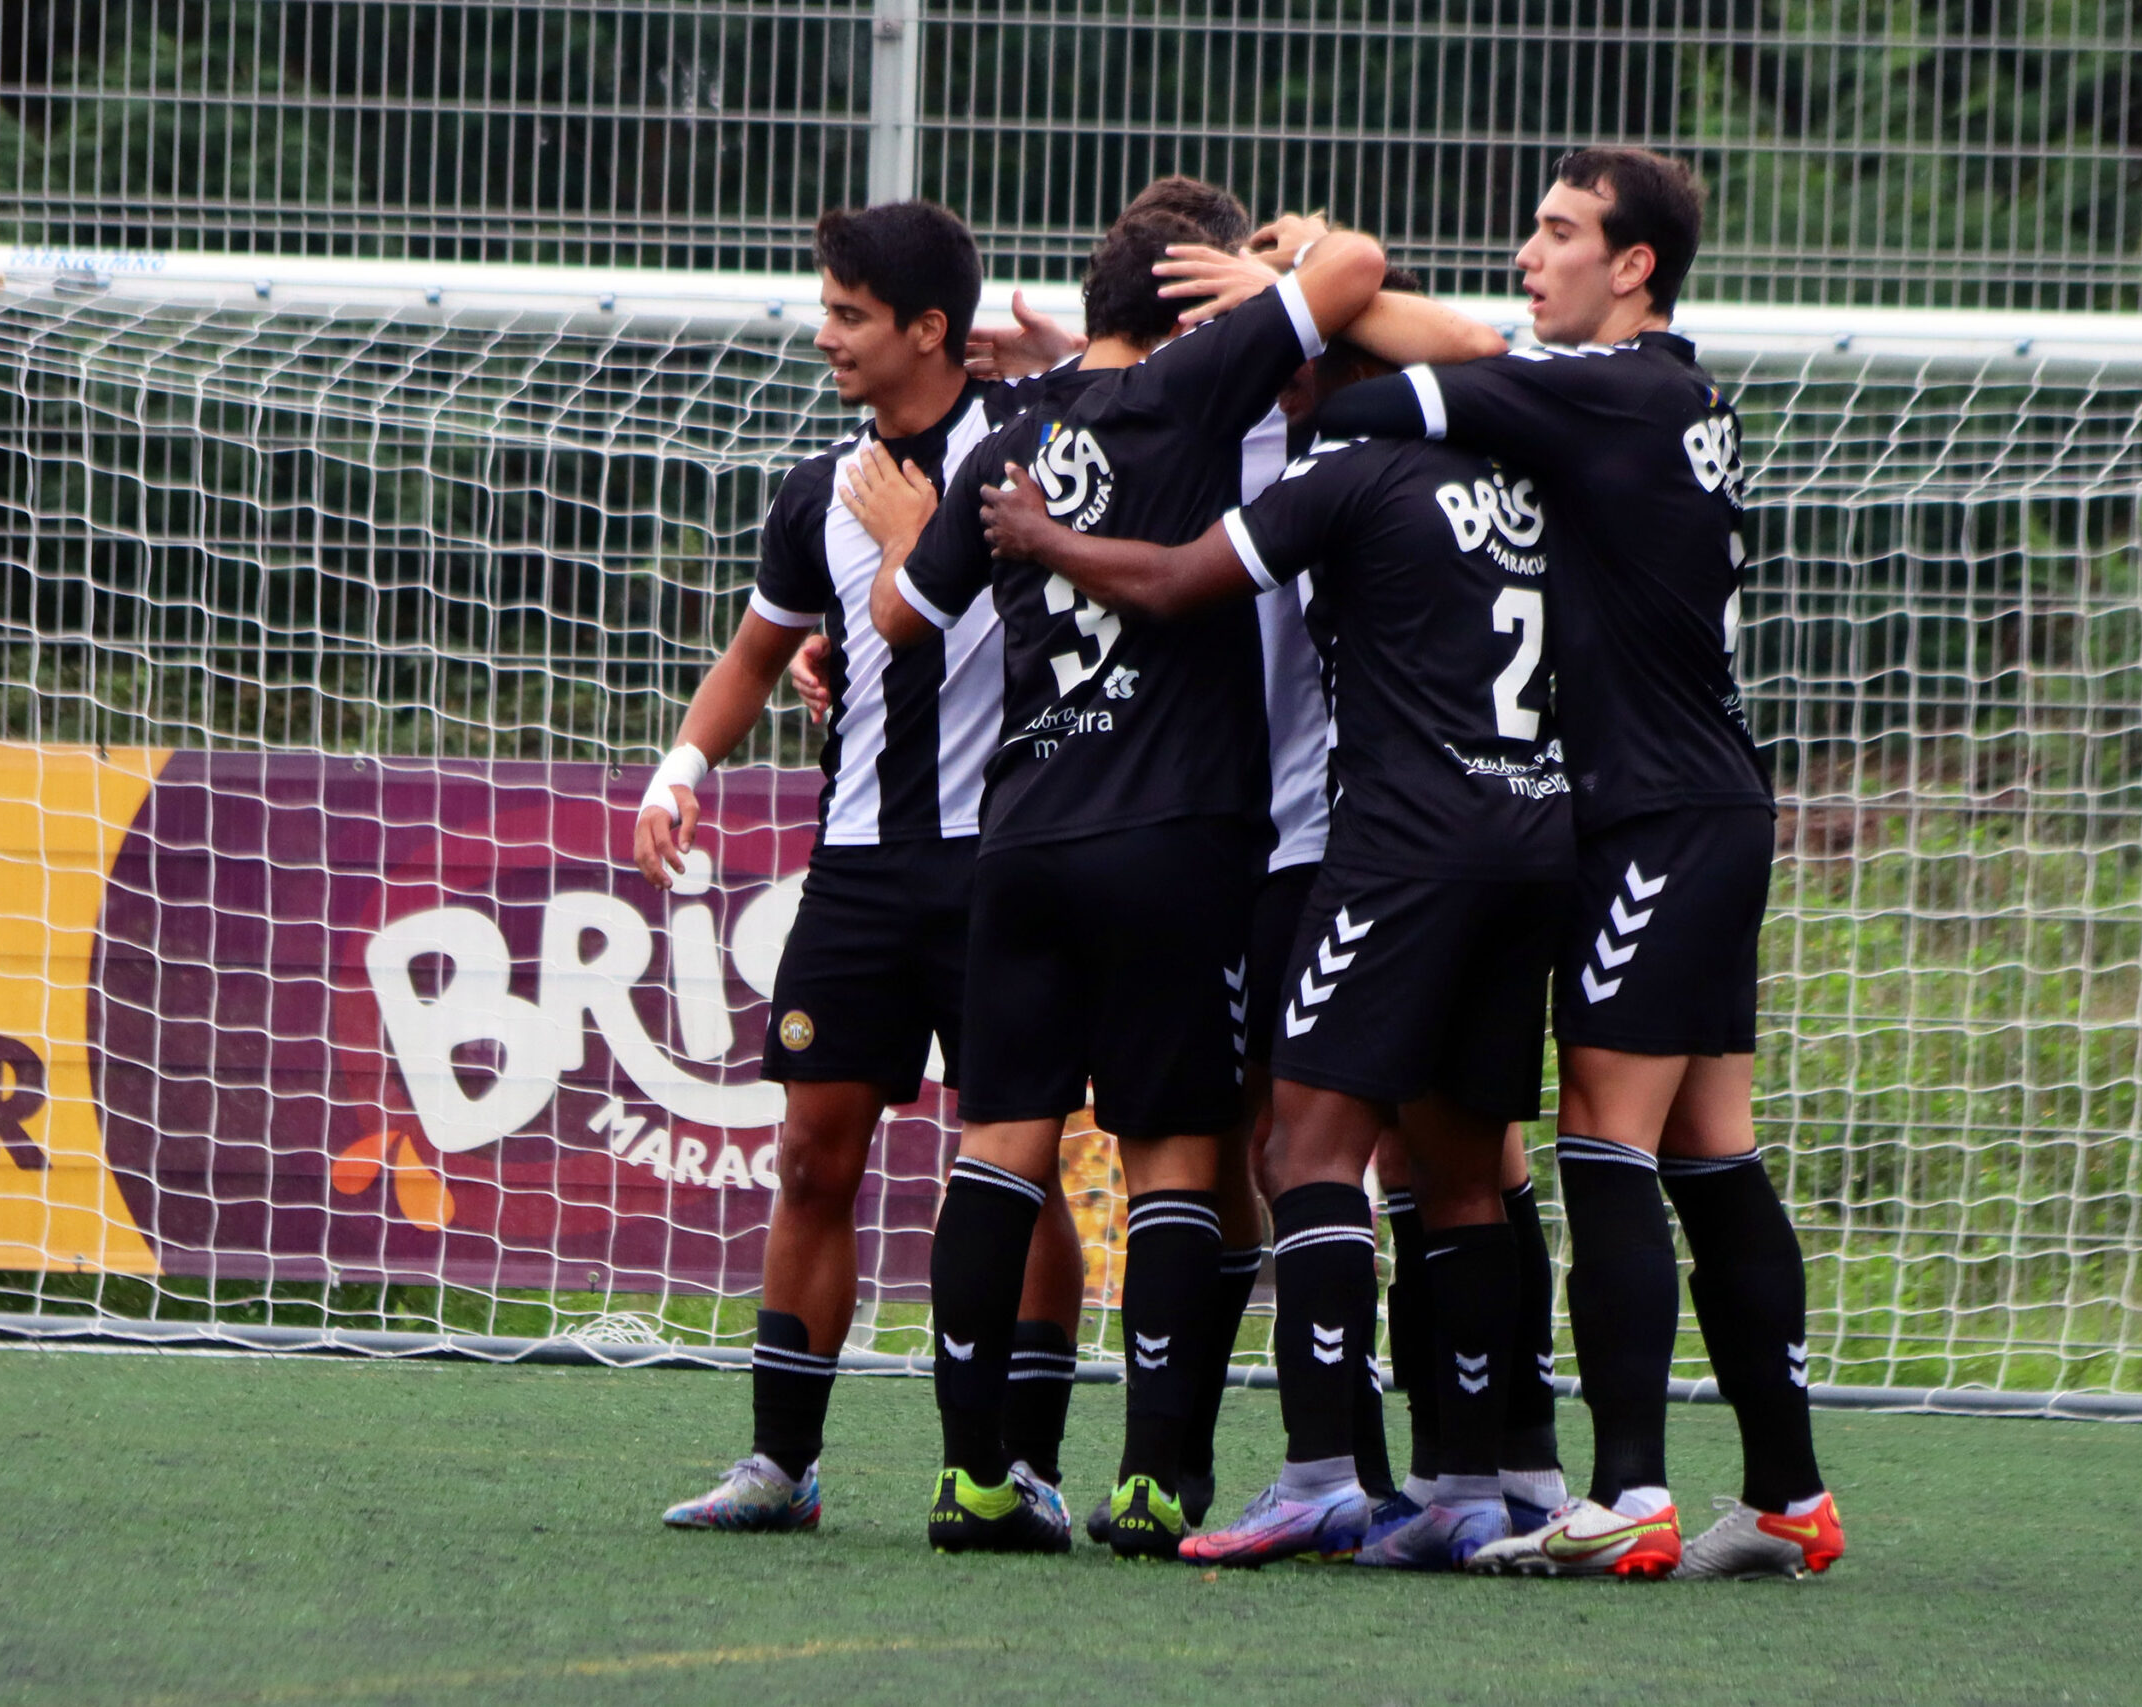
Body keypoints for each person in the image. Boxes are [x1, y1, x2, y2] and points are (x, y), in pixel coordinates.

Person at [1314, 146, 1845, 1580]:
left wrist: (1291, 293)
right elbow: (1479, 359)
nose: (1528, 255)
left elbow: (1374, 398)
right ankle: (1787, 1496)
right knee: (1710, 1153)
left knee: (1604, 1136)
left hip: (1652, 817)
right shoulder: (1672, 395)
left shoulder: (1607, 386)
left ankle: (1626, 1493)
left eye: (1558, 232)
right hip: (1710, 804)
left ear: (1634, 266)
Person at [977, 319, 1571, 1571]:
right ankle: (1473, 1476)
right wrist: (1077, 360)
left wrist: (1043, 529)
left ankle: (1345, 1475)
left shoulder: (1324, 461)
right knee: (1430, 1154)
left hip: (1343, 840)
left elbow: (1175, 576)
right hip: (1494, 827)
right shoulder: (1505, 468)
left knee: (1316, 1145)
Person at [865, 208, 1390, 1558]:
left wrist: (920, 537)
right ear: (1186, 312)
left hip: (1024, 835)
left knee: (1001, 1144)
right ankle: (1154, 1479)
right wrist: (1259, 283)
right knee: (1171, 1152)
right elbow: (1355, 271)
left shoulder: (1004, 435)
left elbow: (900, 617)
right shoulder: (1191, 384)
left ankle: (974, 1477)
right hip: (1177, 833)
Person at [636, 200, 1086, 1537]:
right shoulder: (816, 487)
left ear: (928, 329)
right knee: (807, 1157)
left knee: (1018, 1174)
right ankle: (782, 1464)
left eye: (849, 314)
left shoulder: (1031, 453)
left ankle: (1024, 1462)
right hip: (860, 873)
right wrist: (679, 769)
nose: (824, 335)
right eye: (825, 309)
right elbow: (757, 653)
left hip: (1010, 866)